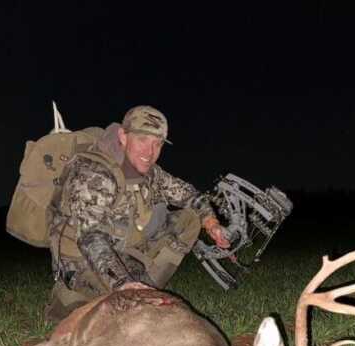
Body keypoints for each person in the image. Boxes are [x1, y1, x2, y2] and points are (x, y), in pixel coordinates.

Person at [44, 105, 230, 322]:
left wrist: (211, 223)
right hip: (82, 260)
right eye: (142, 140)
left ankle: (143, 288)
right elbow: (90, 238)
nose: (150, 152)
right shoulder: (94, 173)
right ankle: (72, 297)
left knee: (190, 220)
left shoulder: (152, 174)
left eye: (158, 144)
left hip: (121, 249)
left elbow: (188, 194)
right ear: (123, 137)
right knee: (124, 310)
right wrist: (123, 283)